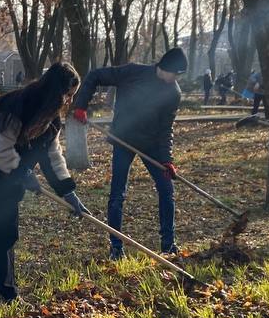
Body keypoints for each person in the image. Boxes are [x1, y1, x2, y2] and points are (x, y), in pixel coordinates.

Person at [0, 62, 89, 306]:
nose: (69, 101)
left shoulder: (51, 120)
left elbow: (52, 155)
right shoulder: (15, 106)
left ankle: (7, 294)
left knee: (4, 237)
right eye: (68, 95)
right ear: (56, 92)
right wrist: (22, 173)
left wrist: (68, 191)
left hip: (8, 184)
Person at [73, 47, 186, 259]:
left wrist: (166, 160)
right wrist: (81, 105)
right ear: (167, 67)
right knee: (117, 194)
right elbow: (95, 75)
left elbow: (166, 128)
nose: (176, 79)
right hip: (123, 140)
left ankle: (168, 245)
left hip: (151, 145)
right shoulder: (134, 72)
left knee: (167, 190)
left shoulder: (173, 93)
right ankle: (116, 246)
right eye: (176, 73)